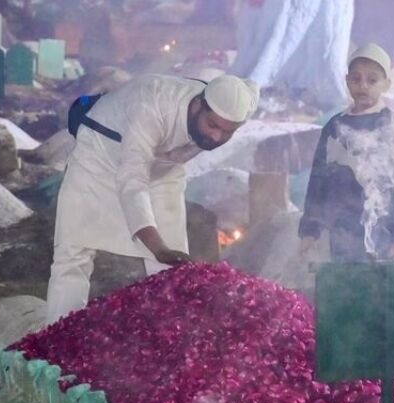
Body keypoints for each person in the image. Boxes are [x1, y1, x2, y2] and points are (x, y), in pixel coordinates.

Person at [46, 74, 259, 323]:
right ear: (199, 105)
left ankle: (168, 334)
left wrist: (164, 250)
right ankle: (56, 333)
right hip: (101, 155)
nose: (216, 137)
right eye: (212, 125)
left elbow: (252, 89)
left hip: (164, 168)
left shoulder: (243, 103)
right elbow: (132, 180)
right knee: (73, 252)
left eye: (227, 132)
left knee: (173, 264)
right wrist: (157, 247)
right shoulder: (154, 105)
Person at [298, 43, 394, 263]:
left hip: (383, 233)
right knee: (346, 285)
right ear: (346, 81)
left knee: (378, 288)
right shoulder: (334, 128)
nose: (363, 86)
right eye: (356, 79)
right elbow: (317, 182)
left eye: (372, 80)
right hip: (341, 233)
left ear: (386, 84)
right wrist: (310, 230)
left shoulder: (392, 128)